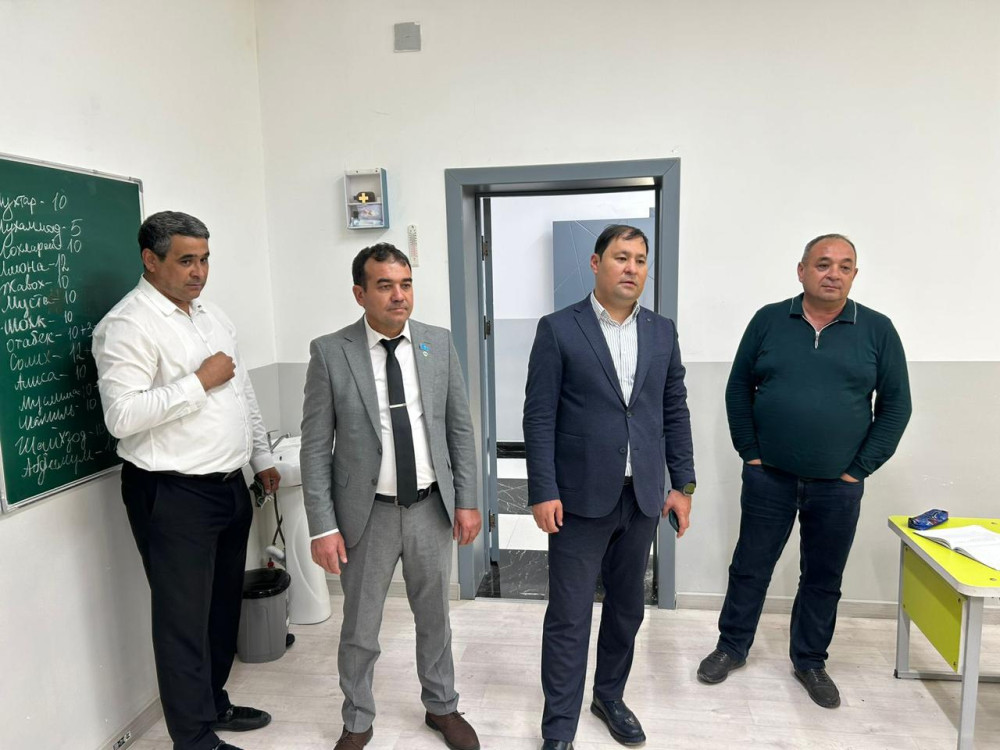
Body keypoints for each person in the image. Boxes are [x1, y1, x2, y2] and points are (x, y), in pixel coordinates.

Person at [697, 233, 912, 708]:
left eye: (844, 266)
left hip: (838, 486)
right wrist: (750, 452)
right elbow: (738, 389)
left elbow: (896, 407)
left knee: (823, 576)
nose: (833, 273)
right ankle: (731, 647)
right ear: (801, 270)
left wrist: (859, 469)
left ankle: (810, 660)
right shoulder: (768, 320)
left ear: (854, 275)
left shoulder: (878, 330)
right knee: (750, 566)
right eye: (823, 264)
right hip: (768, 477)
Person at [93, 211, 279, 750]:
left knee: (221, 608)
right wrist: (198, 382)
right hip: (172, 493)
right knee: (182, 621)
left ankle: (213, 703)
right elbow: (121, 417)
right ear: (150, 260)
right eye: (186, 260)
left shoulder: (212, 316)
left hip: (229, 485)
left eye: (204, 259)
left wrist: (260, 455)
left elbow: (242, 392)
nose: (199, 272)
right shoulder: (127, 326)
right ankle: (193, 738)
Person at [300, 243, 482, 750]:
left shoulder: (437, 343)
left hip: (430, 509)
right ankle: (357, 719)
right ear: (360, 293)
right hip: (366, 516)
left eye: (405, 284)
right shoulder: (331, 352)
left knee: (435, 618)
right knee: (360, 628)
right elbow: (314, 447)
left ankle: (441, 706)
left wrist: (467, 500)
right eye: (385, 285)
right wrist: (322, 525)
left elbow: (459, 430)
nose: (399, 295)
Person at [523, 224, 696, 750]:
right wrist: (543, 489)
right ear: (596, 263)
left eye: (640, 259)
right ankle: (559, 728)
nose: (632, 268)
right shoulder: (559, 329)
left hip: (642, 498)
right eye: (622, 257)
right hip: (578, 500)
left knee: (627, 609)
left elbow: (673, 409)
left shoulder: (661, 331)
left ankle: (609, 696)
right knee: (570, 616)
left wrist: (682, 484)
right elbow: (539, 415)